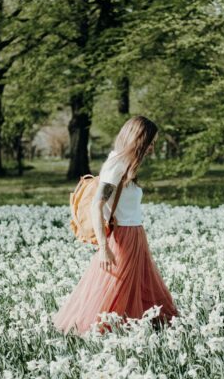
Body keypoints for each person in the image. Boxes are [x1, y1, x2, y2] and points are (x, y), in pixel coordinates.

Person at [52, 115, 179, 335]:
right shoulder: (116, 165)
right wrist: (104, 247)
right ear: (139, 139)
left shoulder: (126, 165)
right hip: (123, 237)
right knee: (117, 291)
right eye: (150, 142)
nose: (152, 147)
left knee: (136, 287)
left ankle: (138, 329)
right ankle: (108, 333)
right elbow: (96, 206)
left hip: (135, 235)